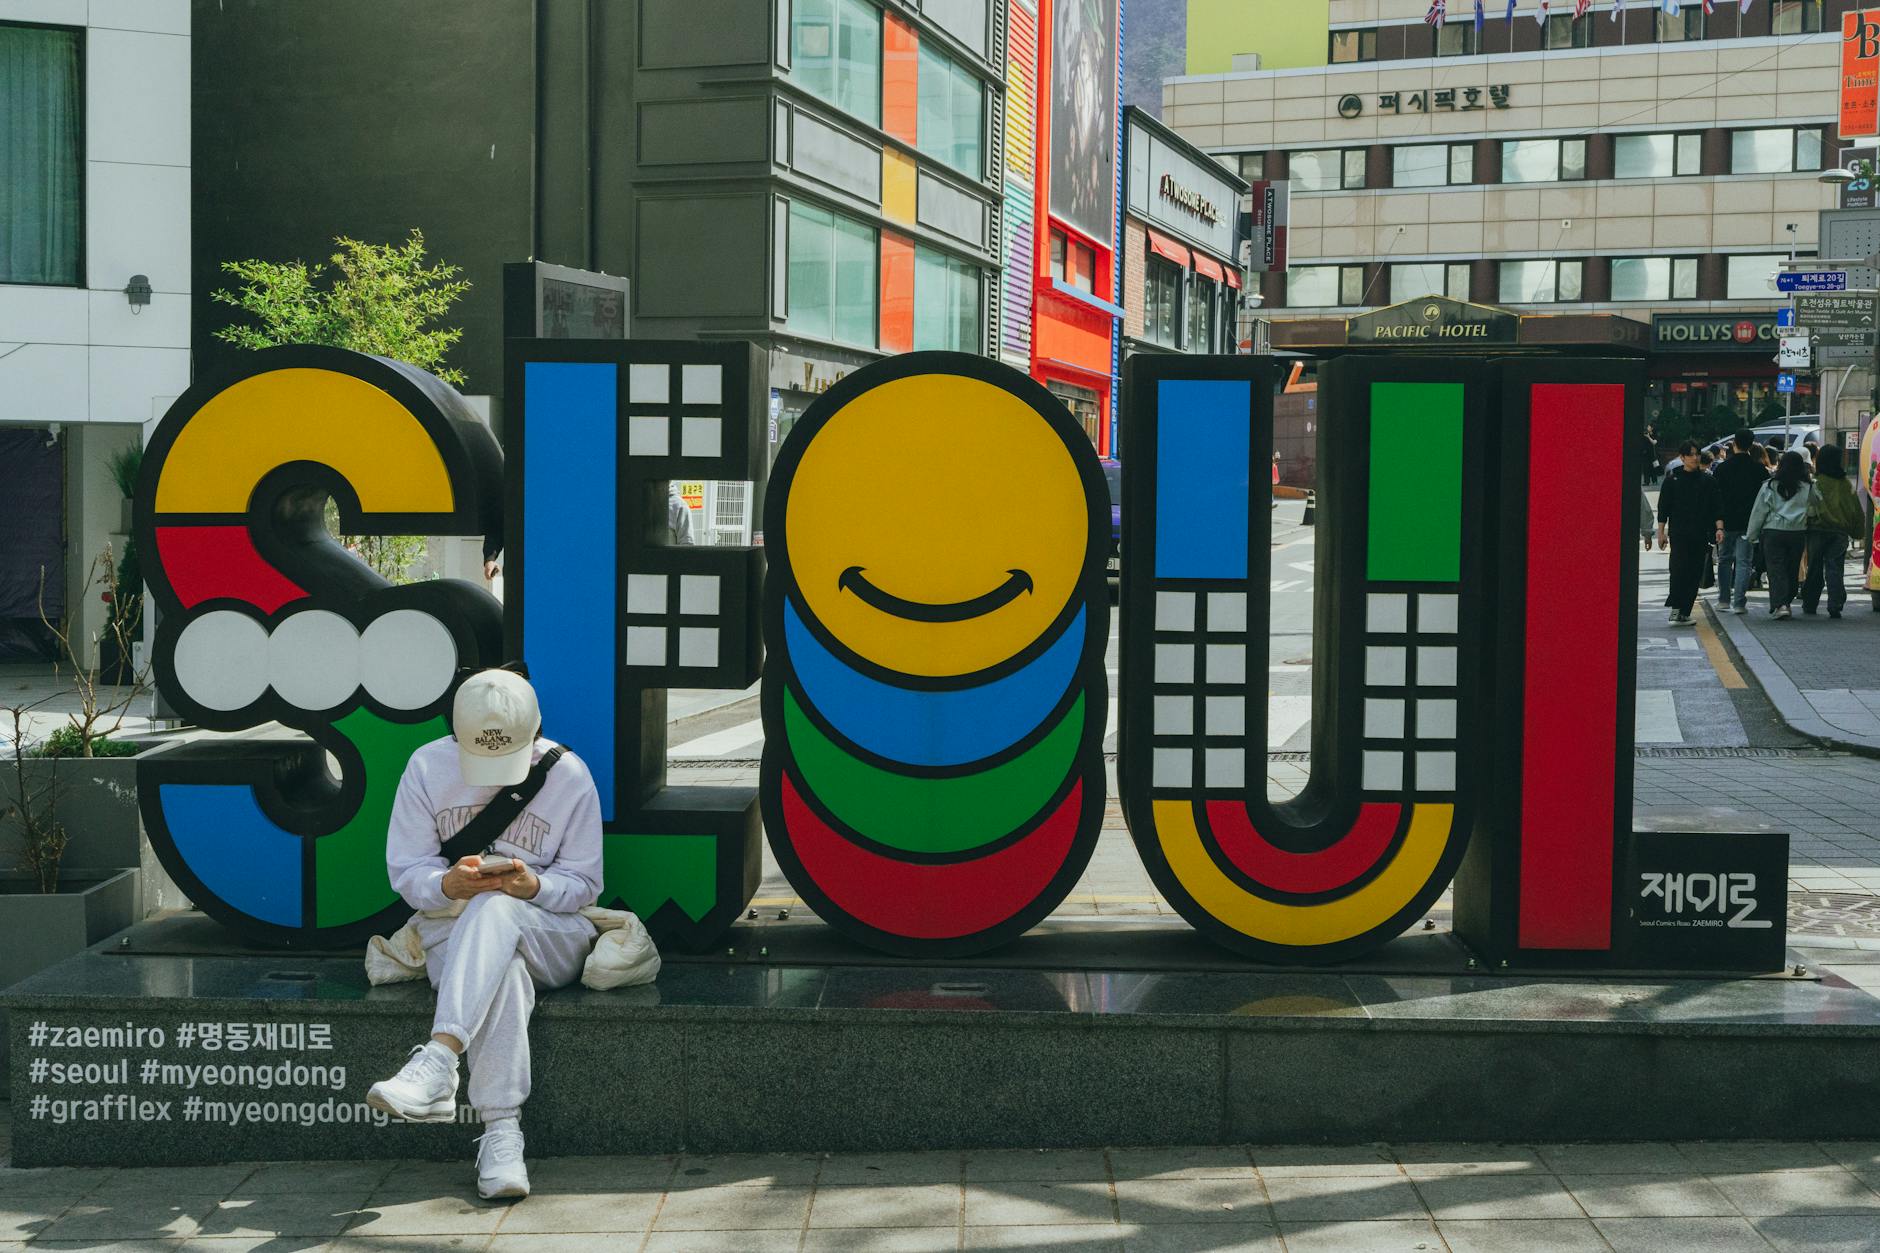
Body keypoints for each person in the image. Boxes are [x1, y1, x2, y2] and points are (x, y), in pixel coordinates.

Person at [367, 668, 602, 1200]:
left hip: (551, 932)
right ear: (456, 734)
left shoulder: (568, 775)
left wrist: (533, 884)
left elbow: (586, 883)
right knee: (506, 977)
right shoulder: (428, 766)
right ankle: (502, 1134)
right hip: (455, 931)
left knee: (498, 906)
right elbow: (407, 871)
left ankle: (440, 1058)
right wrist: (446, 883)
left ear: (535, 731)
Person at [1657, 441, 1723, 626]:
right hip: (1678, 533)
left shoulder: (1707, 480)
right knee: (1678, 569)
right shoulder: (1672, 479)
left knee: (1694, 572)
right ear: (1682, 457)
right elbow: (1663, 508)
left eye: (1697, 454)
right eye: (1691, 454)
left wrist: (1719, 528)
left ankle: (1685, 611)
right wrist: (1661, 533)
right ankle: (1676, 608)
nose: (1695, 458)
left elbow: (1716, 507)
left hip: (1700, 533)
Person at [1746, 450, 1817, 620]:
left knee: (1776, 568)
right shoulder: (1808, 487)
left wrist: (1751, 535)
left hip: (1773, 532)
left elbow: (1759, 512)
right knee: (1792, 569)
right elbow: (1813, 510)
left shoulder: (1770, 485)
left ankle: (1781, 604)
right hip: (1797, 533)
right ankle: (1787, 600)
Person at [1803, 444, 1865, 618]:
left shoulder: (1816, 482)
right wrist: (1858, 532)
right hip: (1839, 533)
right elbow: (1855, 510)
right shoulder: (1845, 485)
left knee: (1814, 567)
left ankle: (1810, 602)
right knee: (1835, 567)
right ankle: (1835, 604)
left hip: (1816, 530)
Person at [1712, 429, 1769, 614]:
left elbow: (1716, 497)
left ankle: (1723, 600)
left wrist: (1717, 522)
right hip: (1749, 522)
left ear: (1734, 444)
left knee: (1724, 559)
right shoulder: (1759, 469)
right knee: (1744, 562)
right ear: (1751, 446)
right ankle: (1739, 603)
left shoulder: (1722, 468)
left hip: (1726, 522)